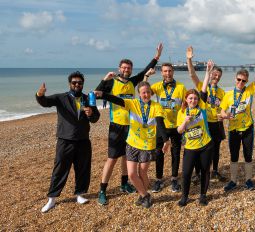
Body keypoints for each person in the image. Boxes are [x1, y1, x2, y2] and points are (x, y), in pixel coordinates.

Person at [95, 44, 163, 205]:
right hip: (116, 125)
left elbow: (145, 71)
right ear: (119, 68)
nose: (126, 70)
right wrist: (105, 79)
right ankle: (102, 190)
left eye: (129, 68)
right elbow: (97, 94)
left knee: (127, 157)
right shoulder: (112, 82)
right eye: (124, 68)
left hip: (132, 127)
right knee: (112, 158)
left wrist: (156, 57)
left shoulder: (133, 82)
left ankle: (124, 184)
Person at [94, 82, 170, 208]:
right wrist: (102, 94)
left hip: (147, 145)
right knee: (131, 174)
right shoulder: (132, 103)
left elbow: (160, 123)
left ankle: (142, 196)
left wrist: (166, 140)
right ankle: (146, 195)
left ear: (151, 93)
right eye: (143, 92)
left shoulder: (157, 106)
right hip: (132, 143)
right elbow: (117, 100)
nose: (146, 94)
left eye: (148, 92)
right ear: (139, 94)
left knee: (142, 173)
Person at [36, 71, 100, 213]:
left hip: (83, 140)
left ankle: (80, 194)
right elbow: (45, 102)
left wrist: (91, 114)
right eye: (74, 82)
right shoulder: (61, 97)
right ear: (70, 84)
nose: (77, 85)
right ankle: (52, 199)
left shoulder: (87, 98)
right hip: (65, 140)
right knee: (59, 169)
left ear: (83, 84)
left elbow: (96, 117)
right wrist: (40, 95)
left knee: (83, 169)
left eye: (80, 83)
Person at [220, 46, 255, 191]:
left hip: (248, 128)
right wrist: (225, 115)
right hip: (233, 129)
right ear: (235, 79)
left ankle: (249, 180)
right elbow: (222, 112)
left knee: (248, 156)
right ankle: (233, 181)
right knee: (234, 156)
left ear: (246, 81)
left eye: (244, 81)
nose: (241, 83)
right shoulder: (228, 95)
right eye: (239, 80)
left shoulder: (249, 90)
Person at [176, 60, 214, 207]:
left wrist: (207, 72)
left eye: (195, 98)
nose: (193, 100)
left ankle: (203, 195)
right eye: (190, 98)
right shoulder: (182, 112)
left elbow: (203, 88)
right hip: (190, 147)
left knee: (205, 171)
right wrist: (185, 121)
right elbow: (179, 131)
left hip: (205, 145)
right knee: (186, 173)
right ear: (186, 99)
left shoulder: (202, 107)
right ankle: (184, 197)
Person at [186, 46, 226, 182]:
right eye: (215, 75)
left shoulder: (222, 92)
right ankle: (198, 173)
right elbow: (192, 75)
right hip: (203, 123)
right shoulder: (202, 87)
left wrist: (224, 114)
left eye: (219, 76)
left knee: (216, 149)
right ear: (210, 74)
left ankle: (214, 171)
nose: (216, 77)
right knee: (199, 148)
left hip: (217, 124)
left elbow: (223, 108)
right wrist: (189, 60)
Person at [144, 63, 187, 193]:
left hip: (176, 127)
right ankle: (159, 179)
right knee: (159, 153)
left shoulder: (181, 87)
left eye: (169, 71)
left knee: (175, 153)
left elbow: (185, 105)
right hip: (161, 126)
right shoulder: (157, 86)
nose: (167, 73)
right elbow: (144, 93)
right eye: (165, 71)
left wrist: (184, 124)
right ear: (161, 73)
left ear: (173, 72)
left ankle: (174, 179)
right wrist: (146, 76)